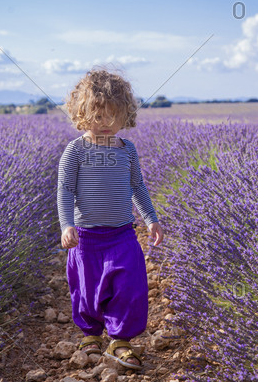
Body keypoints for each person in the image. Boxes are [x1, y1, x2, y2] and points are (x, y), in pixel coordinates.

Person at [56, 65, 164, 371]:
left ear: (125, 115)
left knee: (130, 285)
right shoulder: (75, 151)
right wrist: (66, 226)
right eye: (97, 116)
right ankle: (90, 333)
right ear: (82, 114)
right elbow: (64, 190)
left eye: (113, 116)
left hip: (123, 234)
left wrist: (151, 218)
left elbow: (137, 186)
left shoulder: (127, 149)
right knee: (87, 290)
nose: (105, 123)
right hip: (87, 237)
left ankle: (120, 339)